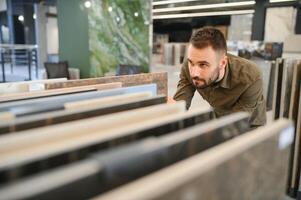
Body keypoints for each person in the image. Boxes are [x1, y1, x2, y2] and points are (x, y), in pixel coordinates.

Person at [173, 27, 266, 127]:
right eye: (191, 62)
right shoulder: (188, 67)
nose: (194, 73)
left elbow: (236, 123)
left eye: (203, 65)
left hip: (250, 123)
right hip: (219, 113)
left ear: (222, 63)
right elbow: (180, 105)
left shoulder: (250, 76)